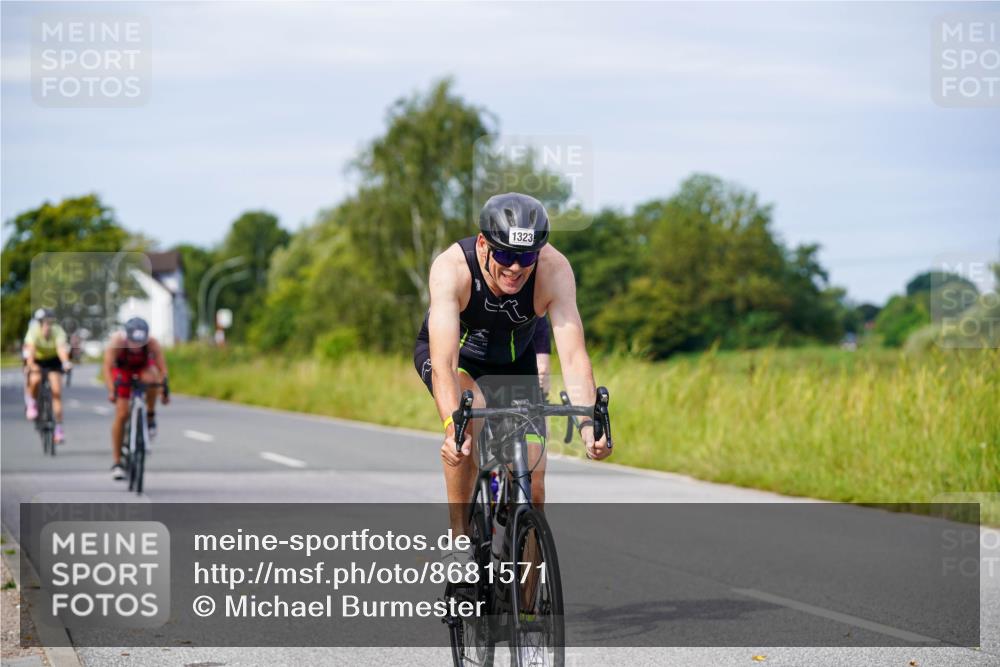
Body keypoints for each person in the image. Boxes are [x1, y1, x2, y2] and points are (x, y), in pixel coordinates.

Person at [413, 192, 611, 566]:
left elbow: (573, 355)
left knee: (534, 489)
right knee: (469, 422)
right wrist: (453, 427)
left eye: (526, 257)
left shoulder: (554, 269)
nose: (516, 268)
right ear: (483, 244)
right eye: (505, 255)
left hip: (514, 364)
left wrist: (589, 426)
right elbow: (444, 363)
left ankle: (527, 596)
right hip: (459, 362)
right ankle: (459, 540)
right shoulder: (452, 268)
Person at [103, 317, 170, 480]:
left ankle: (150, 415)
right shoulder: (117, 342)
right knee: (122, 414)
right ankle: (117, 462)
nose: (137, 347)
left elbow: (162, 370)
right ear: (127, 336)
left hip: (143, 369)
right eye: (133, 342)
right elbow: (107, 368)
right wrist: (112, 391)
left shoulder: (152, 343)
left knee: (152, 379)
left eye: (140, 343)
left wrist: (164, 390)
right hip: (122, 371)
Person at [23, 309, 72, 443]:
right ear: (39, 323)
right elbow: (31, 350)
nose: (48, 325)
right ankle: (32, 403)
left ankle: (59, 429)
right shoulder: (33, 331)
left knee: (56, 392)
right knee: (35, 379)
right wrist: (31, 365)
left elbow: (61, 349)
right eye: (45, 322)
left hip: (52, 361)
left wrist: (66, 362)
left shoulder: (57, 331)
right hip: (37, 360)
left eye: (50, 322)